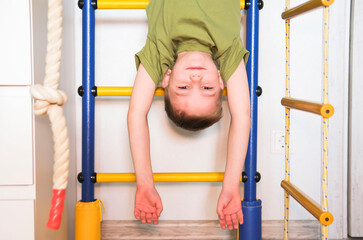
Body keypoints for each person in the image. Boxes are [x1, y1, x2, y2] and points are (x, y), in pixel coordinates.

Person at [127, 0, 250, 230]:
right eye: (207, 89)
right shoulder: (228, 51)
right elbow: (242, 116)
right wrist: (231, 186)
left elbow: (136, 114)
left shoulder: (159, 50)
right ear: (221, 80)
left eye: (183, 88)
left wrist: (145, 184)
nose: (196, 81)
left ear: (166, 79)